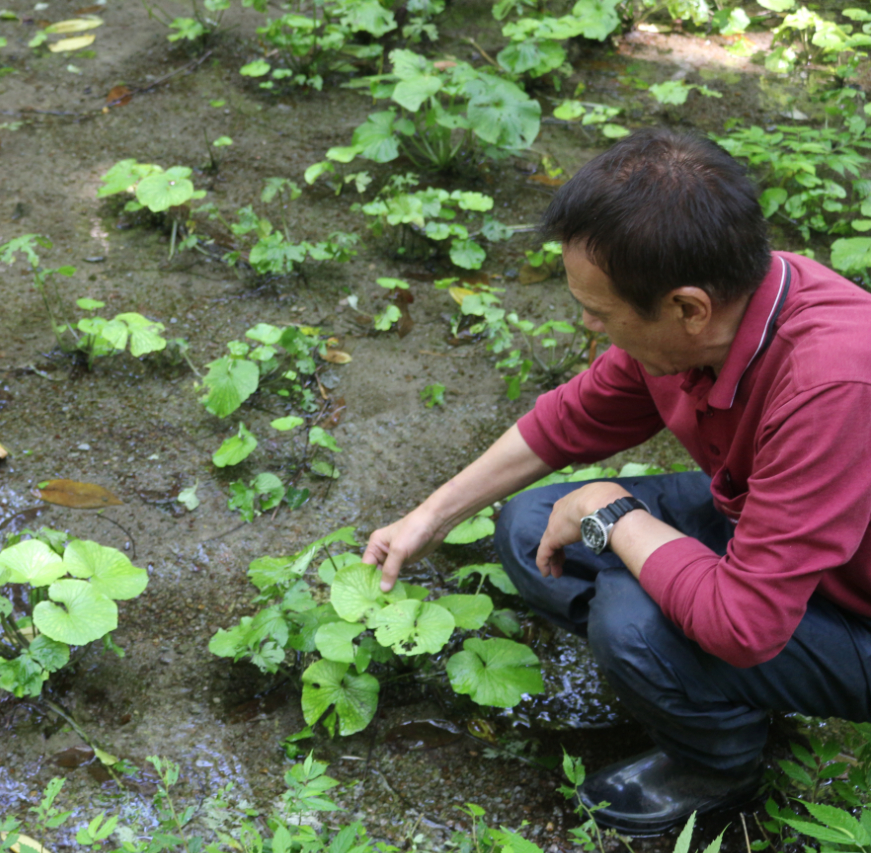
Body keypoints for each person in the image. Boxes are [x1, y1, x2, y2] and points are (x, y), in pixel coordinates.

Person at [361, 127, 871, 836]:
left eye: (600, 313)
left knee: (631, 620)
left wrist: (614, 514)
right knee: (532, 528)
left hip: (855, 604)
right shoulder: (711, 315)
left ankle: (719, 765)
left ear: (688, 308)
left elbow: (748, 621)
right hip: (780, 542)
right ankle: (710, 684)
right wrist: (430, 516)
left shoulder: (835, 381)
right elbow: (567, 421)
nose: (589, 326)